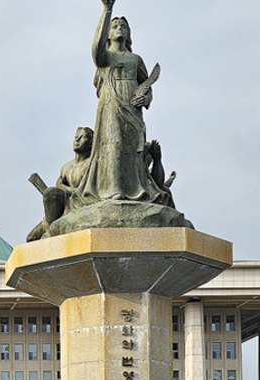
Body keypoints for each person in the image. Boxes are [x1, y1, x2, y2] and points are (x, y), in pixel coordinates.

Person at [70, 0, 169, 211]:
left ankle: (136, 191)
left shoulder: (135, 59)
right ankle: (113, 190)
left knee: (132, 149)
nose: (119, 29)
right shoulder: (106, 58)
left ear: (129, 34)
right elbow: (95, 50)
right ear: (108, 33)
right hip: (111, 107)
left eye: (123, 26)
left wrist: (146, 98)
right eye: (114, 27)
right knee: (113, 145)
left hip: (133, 110)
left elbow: (146, 84)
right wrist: (107, 10)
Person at [26, 127, 93, 242]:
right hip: (61, 210)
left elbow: (87, 194)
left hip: (78, 205)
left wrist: (62, 187)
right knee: (31, 238)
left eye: (82, 137)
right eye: (75, 137)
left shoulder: (90, 165)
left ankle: (52, 232)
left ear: (91, 143)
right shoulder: (66, 167)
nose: (77, 140)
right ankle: (50, 227)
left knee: (51, 192)